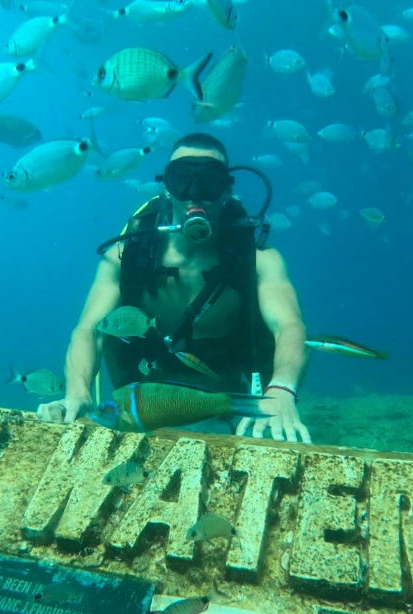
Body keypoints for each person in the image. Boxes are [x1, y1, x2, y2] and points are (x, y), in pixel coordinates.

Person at [36, 133, 311, 443]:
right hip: (137, 396)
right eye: (182, 178)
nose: (195, 194)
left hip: (224, 390)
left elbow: (289, 325)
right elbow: (89, 330)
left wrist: (282, 389)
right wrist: (77, 394)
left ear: (227, 189)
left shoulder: (260, 259)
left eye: (210, 180)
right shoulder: (126, 257)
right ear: (167, 186)